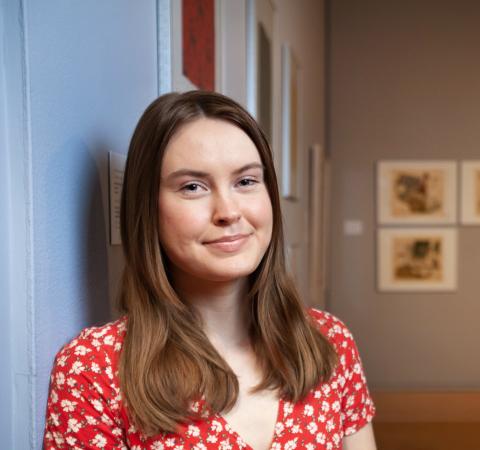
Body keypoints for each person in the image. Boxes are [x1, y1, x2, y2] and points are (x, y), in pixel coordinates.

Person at [42, 91, 376, 449]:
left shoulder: (328, 342)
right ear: (148, 208)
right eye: (193, 187)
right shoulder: (95, 369)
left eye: (246, 181)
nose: (228, 211)